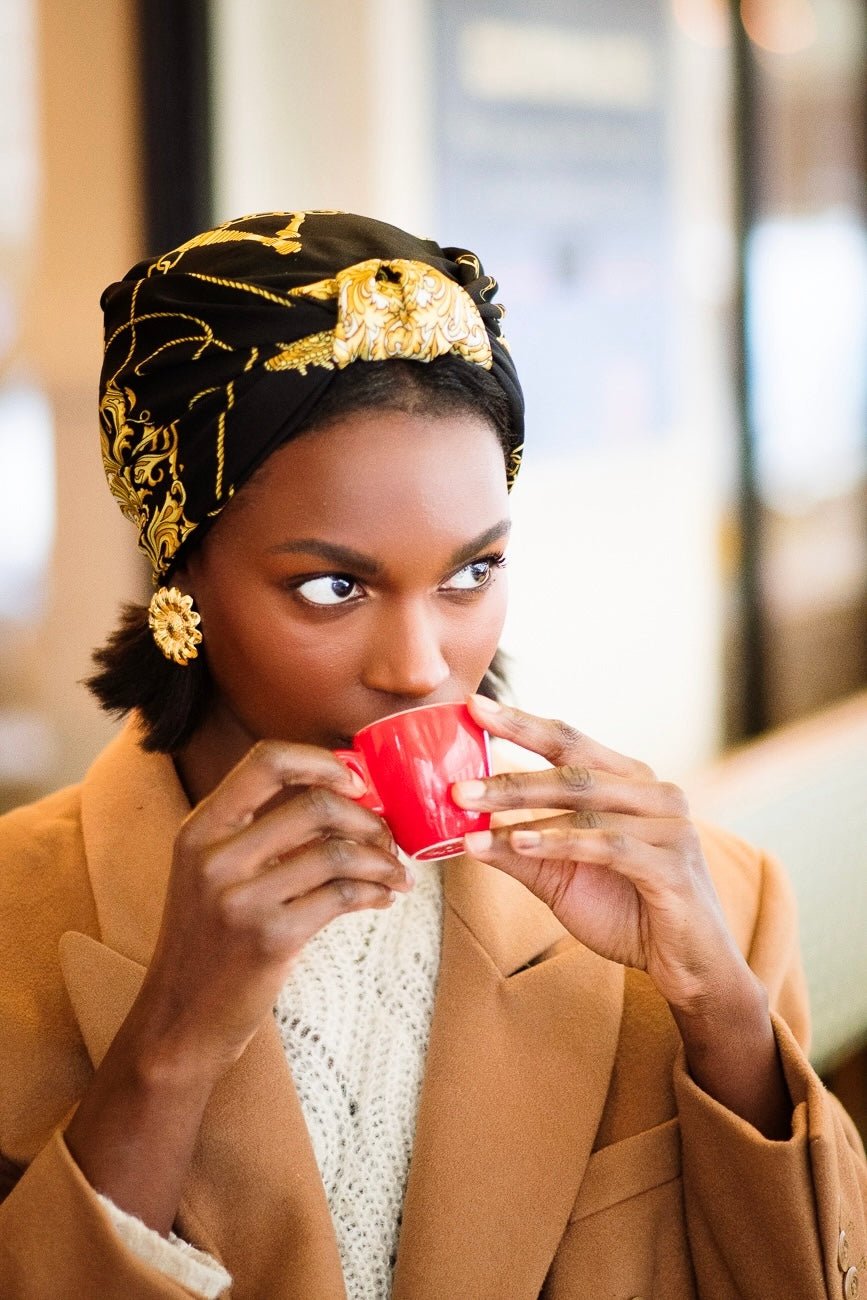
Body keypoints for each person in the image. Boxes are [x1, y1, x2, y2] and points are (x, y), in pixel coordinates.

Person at [0, 210, 864, 1300]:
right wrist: (167, 1042)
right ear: (185, 582)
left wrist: (723, 1011)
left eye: (471, 574)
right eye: (332, 586)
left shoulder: (710, 909)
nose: (420, 666)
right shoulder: (15, 920)